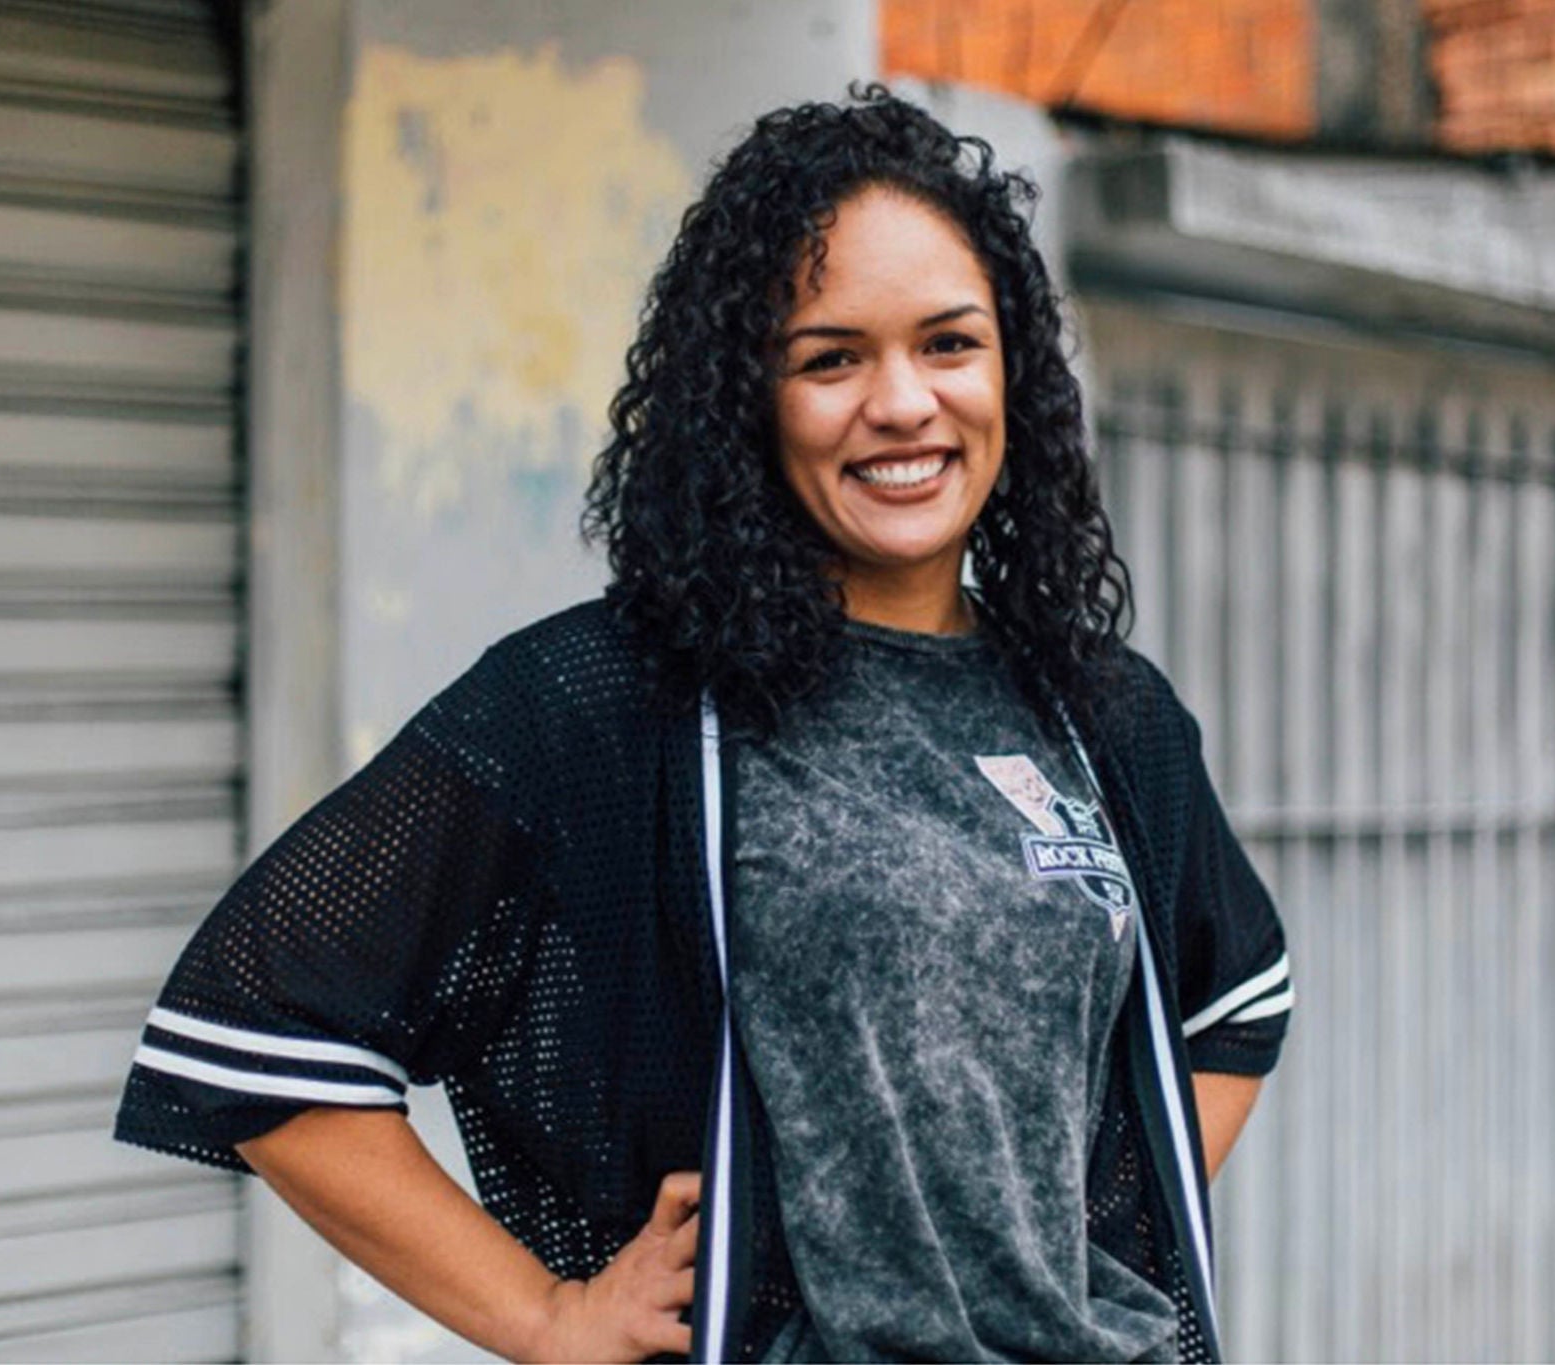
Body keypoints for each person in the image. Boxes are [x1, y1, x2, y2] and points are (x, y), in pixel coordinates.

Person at [116, 85, 1291, 1364]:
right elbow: (257, 1026)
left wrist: (1059, 1243)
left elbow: (1232, 1003)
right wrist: (547, 1316)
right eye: (830, 359)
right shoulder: (614, 703)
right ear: (749, 399)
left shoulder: (1100, 711)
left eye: (948, 344)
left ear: (1012, 371)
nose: (903, 402)